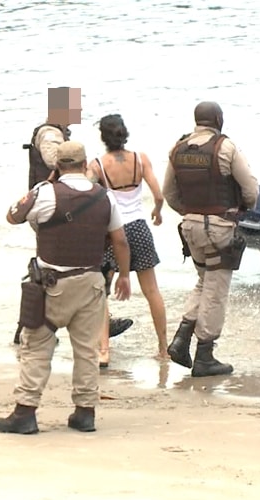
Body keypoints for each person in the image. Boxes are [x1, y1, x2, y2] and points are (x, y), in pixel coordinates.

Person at [0, 141, 132, 434]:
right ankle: (85, 413)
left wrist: (45, 185)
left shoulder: (45, 193)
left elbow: (12, 216)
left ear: (57, 167)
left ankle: (26, 412)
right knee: (86, 349)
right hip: (91, 283)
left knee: (37, 347)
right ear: (85, 166)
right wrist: (123, 276)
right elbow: (119, 240)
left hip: (51, 285)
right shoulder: (104, 198)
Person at [161, 101, 259, 377]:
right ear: (218, 119)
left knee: (204, 281)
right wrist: (240, 210)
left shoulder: (178, 149)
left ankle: (181, 339)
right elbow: (250, 190)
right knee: (215, 290)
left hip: (190, 226)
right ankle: (205, 354)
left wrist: (189, 212)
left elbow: (169, 193)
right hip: (219, 228)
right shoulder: (225, 148)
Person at [17, 116, 133, 344]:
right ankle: (95, 322)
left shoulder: (55, 132)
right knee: (77, 262)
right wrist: (77, 166)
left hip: (54, 205)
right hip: (56, 206)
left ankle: (33, 325)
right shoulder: (51, 134)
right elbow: (55, 161)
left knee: (52, 263)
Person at [87, 114, 167, 367]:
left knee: (101, 295)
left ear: (103, 137)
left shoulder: (98, 165)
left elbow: (87, 195)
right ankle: (163, 349)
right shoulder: (140, 160)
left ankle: (104, 351)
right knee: (152, 291)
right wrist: (157, 211)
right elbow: (159, 194)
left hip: (113, 233)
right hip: (140, 229)